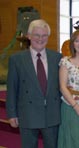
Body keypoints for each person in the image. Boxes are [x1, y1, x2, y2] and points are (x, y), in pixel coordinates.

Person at [6, 19, 62, 148]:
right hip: (27, 114)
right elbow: (12, 89)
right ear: (29, 36)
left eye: (44, 35)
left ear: (48, 37)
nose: (40, 39)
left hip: (52, 114)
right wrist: (12, 114)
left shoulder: (57, 58)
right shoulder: (16, 59)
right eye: (37, 35)